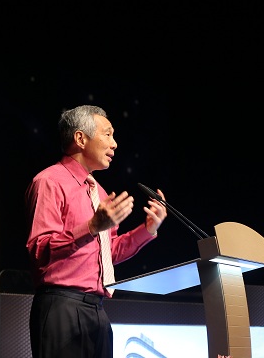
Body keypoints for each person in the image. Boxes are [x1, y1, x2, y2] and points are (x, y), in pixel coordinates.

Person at [25, 105, 167, 358]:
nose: (114, 144)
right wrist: (91, 227)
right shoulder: (49, 181)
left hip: (98, 310)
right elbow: (39, 249)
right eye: (108, 134)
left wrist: (147, 230)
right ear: (81, 138)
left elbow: (108, 252)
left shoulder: (99, 192)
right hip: (62, 307)